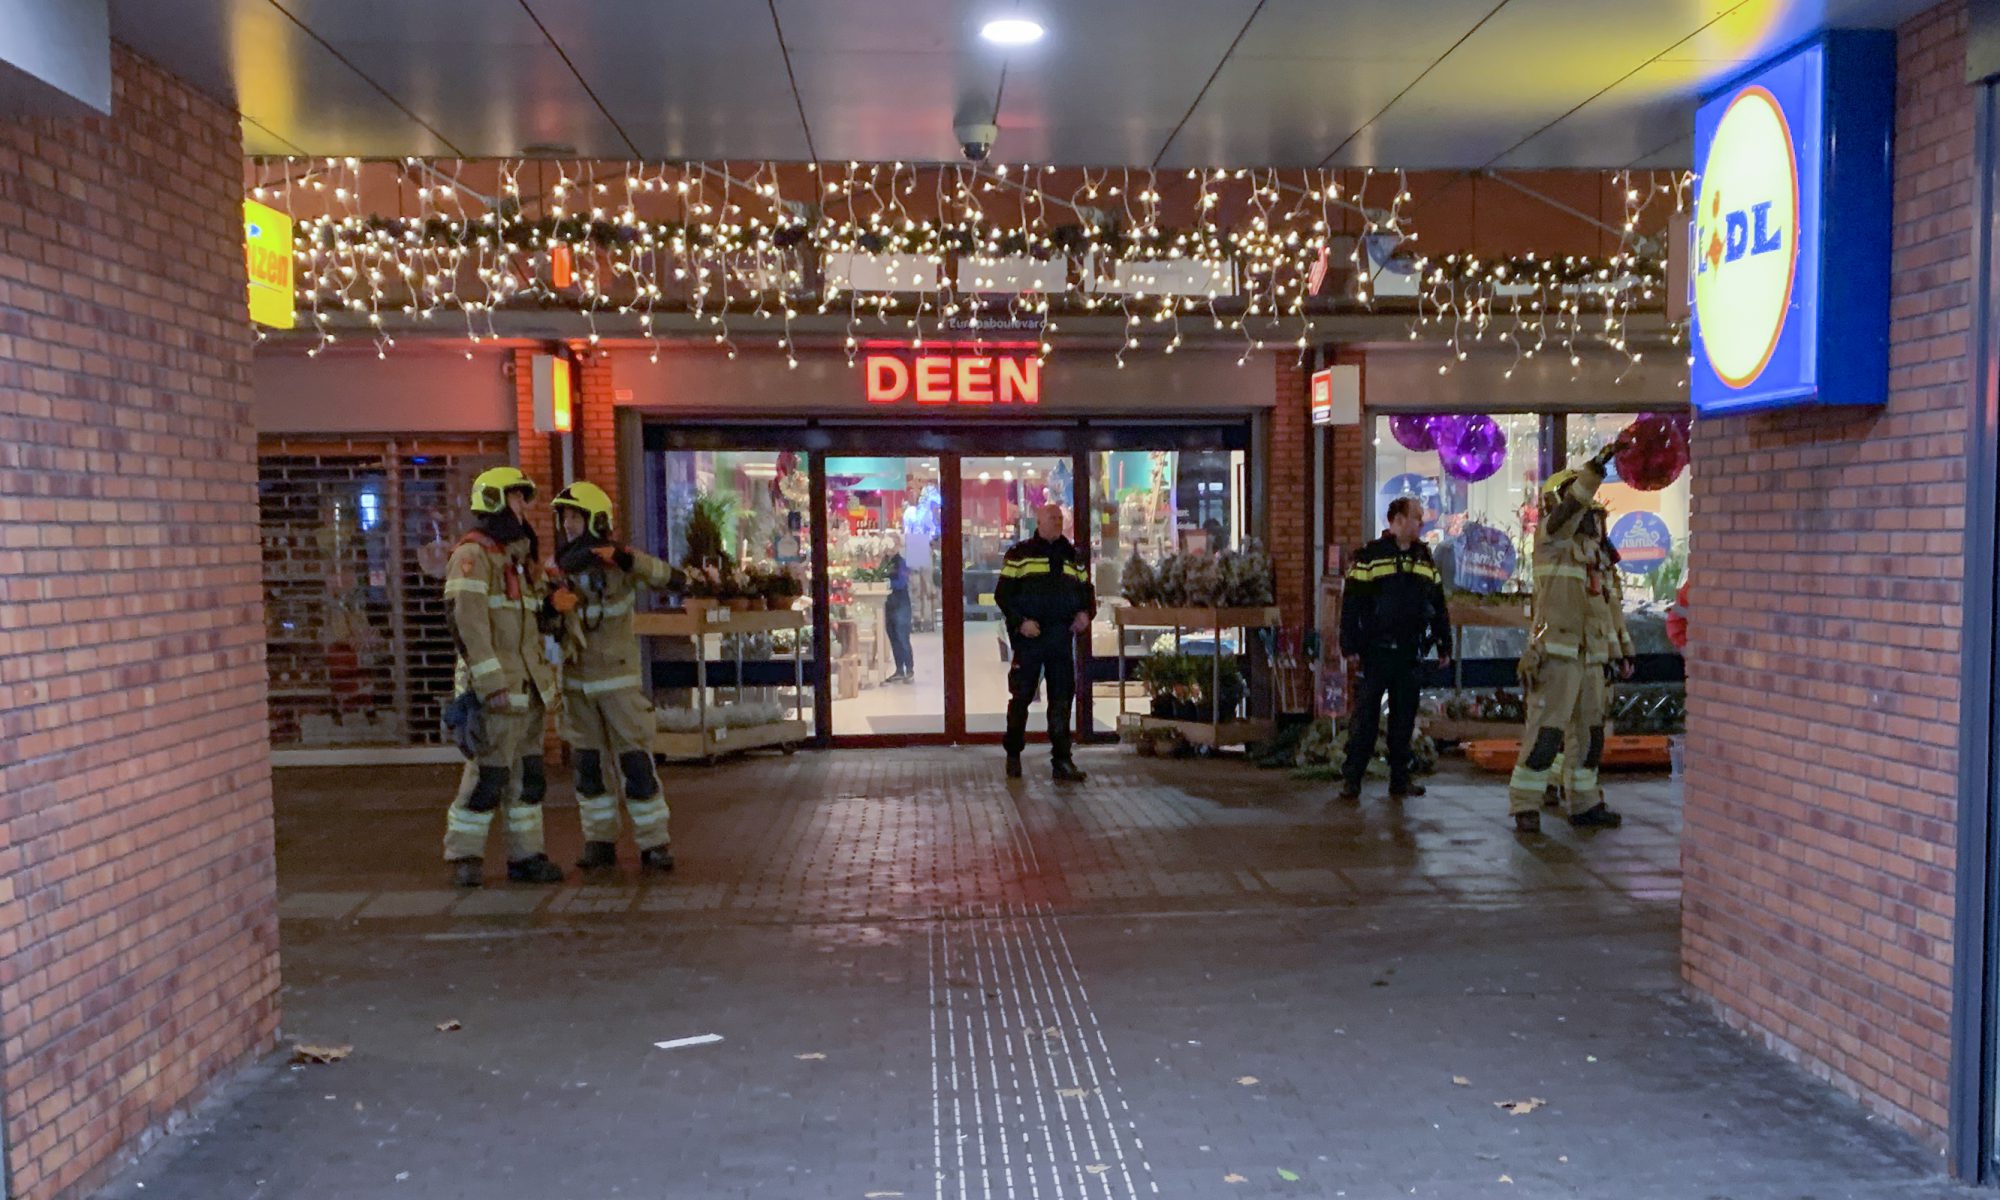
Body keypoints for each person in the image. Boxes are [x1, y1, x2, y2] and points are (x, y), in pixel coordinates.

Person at [1508, 430, 1638, 833]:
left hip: (1592, 657)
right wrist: (1599, 464)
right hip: (1557, 654)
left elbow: (1610, 609)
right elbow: (1572, 507)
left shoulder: (1595, 556)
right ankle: (1525, 804)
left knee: (1591, 737)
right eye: (1589, 510)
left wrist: (1623, 651)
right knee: (1546, 735)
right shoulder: (1550, 538)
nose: (1595, 518)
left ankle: (1583, 803)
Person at [441, 466, 565, 888]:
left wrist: (552, 606)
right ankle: (464, 856)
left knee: (527, 780)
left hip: (527, 692)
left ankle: (526, 856)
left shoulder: (515, 558)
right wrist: (489, 685)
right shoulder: (472, 557)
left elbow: (529, 622)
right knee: (487, 777)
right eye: (515, 498)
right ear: (494, 499)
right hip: (496, 692)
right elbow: (468, 627)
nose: (521, 507)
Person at [547, 481, 677, 875]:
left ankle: (654, 844)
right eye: (565, 517)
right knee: (587, 769)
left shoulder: (620, 565)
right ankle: (599, 841)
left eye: (575, 516)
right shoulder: (557, 570)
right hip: (576, 684)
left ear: (595, 520)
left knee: (636, 765)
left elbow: (672, 579)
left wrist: (626, 559)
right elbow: (542, 621)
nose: (568, 525)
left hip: (618, 684)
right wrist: (550, 607)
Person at [1338, 497, 1452, 801]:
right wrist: (1349, 644)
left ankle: (1400, 780)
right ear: (1398, 520)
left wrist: (1444, 643)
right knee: (1366, 719)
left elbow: (1438, 604)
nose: (1421, 523)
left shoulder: (1424, 558)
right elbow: (1351, 604)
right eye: (1416, 517)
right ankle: (1352, 780)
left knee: (1404, 721)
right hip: (1376, 651)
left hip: (1409, 652)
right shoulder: (1370, 556)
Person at [995, 502, 1094, 782]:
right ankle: (1013, 754)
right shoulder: (1020, 554)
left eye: (1060, 518)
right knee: (1022, 696)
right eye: (1052, 517)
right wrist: (1020, 622)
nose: (1058, 522)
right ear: (1038, 521)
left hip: (1060, 638)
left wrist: (1086, 615)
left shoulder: (1072, 556)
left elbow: (1087, 593)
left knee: (1062, 699)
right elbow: (1003, 595)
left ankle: (1062, 761)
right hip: (1030, 638)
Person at [882, 531, 915, 684]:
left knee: (902, 637)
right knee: (893, 637)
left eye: (893, 543)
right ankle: (899, 670)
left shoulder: (901, 562)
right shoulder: (883, 563)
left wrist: (888, 584)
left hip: (901, 604)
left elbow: (902, 582)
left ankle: (909, 669)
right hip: (888, 604)